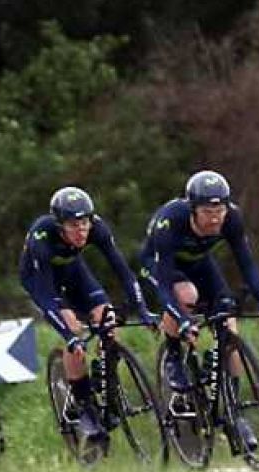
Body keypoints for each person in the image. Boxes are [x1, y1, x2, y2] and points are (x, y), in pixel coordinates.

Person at [138, 170, 259, 453]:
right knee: (186, 295)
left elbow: (247, 263)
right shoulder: (172, 220)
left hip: (200, 264)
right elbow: (165, 283)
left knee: (230, 325)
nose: (216, 217)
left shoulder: (232, 219)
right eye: (207, 211)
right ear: (193, 210)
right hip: (160, 267)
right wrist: (180, 319)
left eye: (220, 209)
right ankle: (173, 357)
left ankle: (233, 407)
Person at [21, 186, 158, 454]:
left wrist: (143, 310)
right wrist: (70, 336)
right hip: (42, 281)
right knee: (73, 330)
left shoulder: (97, 228)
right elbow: (47, 297)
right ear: (60, 225)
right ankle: (84, 406)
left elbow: (124, 272)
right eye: (73, 225)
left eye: (84, 223)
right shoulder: (42, 236)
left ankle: (107, 385)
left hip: (74, 273)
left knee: (107, 320)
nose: (81, 230)